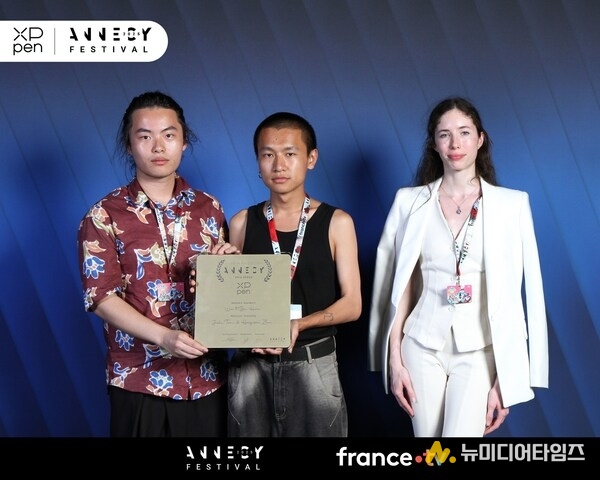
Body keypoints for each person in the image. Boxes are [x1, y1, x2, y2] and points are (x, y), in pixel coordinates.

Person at [368, 97, 548, 437]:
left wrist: (508, 377)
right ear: (434, 144)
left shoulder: (511, 205)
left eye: (464, 133)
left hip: (480, 351)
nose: (455, 144)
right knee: (431, 451)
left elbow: (520, 295)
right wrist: (394, 358)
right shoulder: (409, 202)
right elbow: (400, 287)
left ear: (480, 139)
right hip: (419, 346)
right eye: (444, 134)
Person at [77, 91, 238, 437]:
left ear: (184, 142)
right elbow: (100, 297)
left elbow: (220, 285)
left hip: (206, 378)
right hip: (138, 380)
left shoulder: (209, 208)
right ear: (129, 145)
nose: (158, 146)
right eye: (145, 136)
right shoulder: (104, 215)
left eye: (168, 135)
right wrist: (164, 336)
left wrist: (229, 267)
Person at [226, 111, 362, 436]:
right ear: (258, 163)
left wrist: (299, 324)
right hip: (251, 368)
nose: (279, 165)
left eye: (290, 153)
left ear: (311, 159)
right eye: (268, 155)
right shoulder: (242, 222)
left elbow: (353, 304)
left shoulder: (337, 222)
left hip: (314, 363)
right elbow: (231, 302)